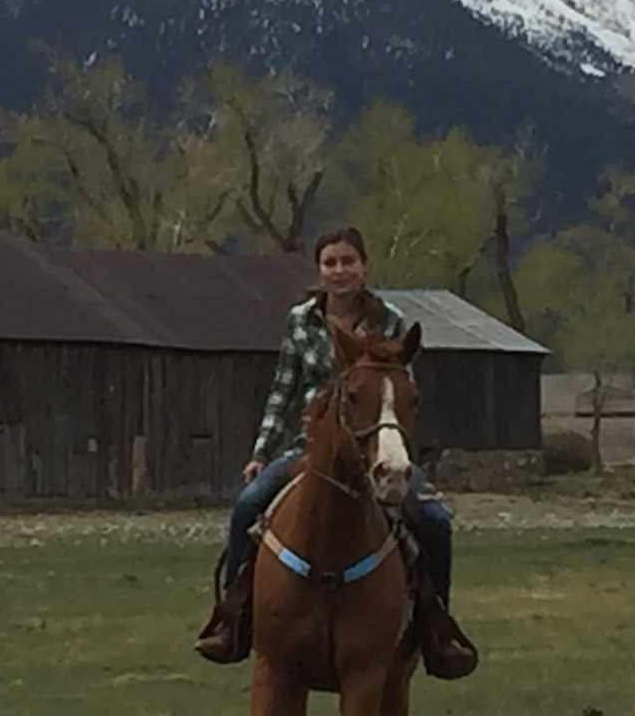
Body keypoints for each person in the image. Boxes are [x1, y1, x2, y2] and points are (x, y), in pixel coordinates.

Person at [194, 226, 478, 679]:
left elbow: (401, 392)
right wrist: (261, 453)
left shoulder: (390, 319)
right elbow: (282, 392)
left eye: (348, 261)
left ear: (363, 266)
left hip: (375, 448)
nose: (340, 270)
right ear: (320, 270)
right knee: (247, 504)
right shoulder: (301, 321)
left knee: (435, 521)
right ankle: (233, 619)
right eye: (330, 263)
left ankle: (435, 628)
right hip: (311, 448)